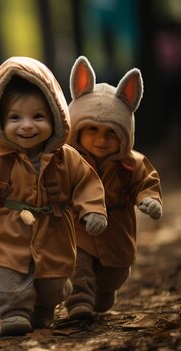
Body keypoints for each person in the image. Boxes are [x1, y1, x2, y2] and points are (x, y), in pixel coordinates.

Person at [0, 57, 108, 335]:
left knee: (52, 284)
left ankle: (43, 308)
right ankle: (13, 312)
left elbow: (87, 183)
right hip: (8, 231)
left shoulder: (67, 158)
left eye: (38, 117)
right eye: (15, 118)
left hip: (53, 229)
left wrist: (93, 209)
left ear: (55, 117)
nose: (26, 126)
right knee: (6, 279)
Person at [64, 56, 163, 321]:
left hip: (116, 229)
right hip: (78, 225)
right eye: (92, 129)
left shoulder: (132, 163)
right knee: (77, 264)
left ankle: (103, 293)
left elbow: (147, 181)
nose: (100, 139)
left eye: (111, 133)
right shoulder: (69, 159)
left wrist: (148, 198)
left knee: (114, 274)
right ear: (77, 129)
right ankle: (78, 302)